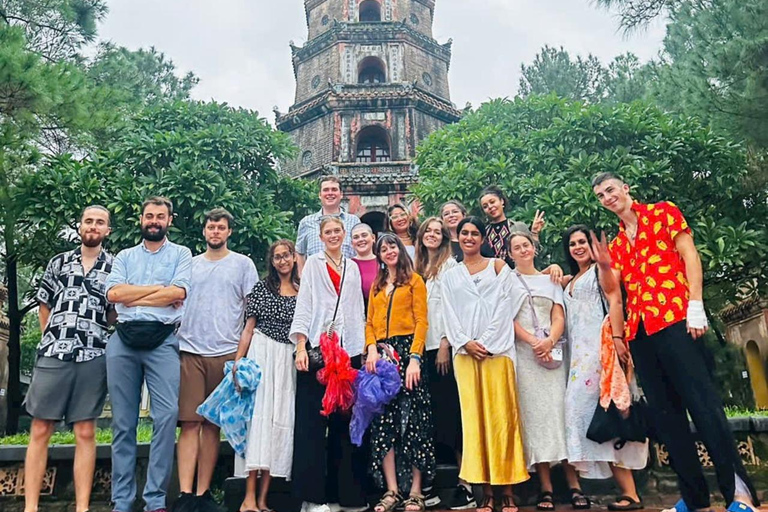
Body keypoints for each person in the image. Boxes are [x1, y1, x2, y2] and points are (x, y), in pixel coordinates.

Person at [592, 172, 760, 512]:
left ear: (625, 188)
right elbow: (614, 292)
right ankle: (694, 497)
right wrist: (606, 271)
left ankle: (739, 494)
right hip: (641, 333)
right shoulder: (618, 244)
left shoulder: (662, 213)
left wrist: (695, 305)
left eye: (610, 189)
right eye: (600, 195)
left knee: (704, 408)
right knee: (668, 419)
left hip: (676, 320)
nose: (607, 197)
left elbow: (690, 256)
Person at [23, 206, 115, 512]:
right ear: (80, 226)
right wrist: (51, 336)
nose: (93, 226)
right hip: (54, 353)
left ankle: (82, 507)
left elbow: (115, 314)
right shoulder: (59, 262)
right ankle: (31, 507)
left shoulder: (116, 267)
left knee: (86, 431)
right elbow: (44, 304)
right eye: (88, 220)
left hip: (94, 354)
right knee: (40, 428)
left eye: (99, 222)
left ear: (107, 230)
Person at [105, 197, 193, 512]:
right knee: (123, 423)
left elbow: (178, 293)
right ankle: (122, 500)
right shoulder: (124, 256)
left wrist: (135, 293)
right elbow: (114, 295)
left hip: (163, 342)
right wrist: (157, 291)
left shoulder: (182, 254)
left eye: (160, 216)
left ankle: (155, 500)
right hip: (123, 342)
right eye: (149, 216)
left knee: (167, 416)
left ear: (170, 220)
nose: (153, 220)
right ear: (141, 220)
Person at [441, 217, 529, 512]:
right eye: (464, 233)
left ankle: (507, 490)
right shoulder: (450, 275)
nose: (469, 238)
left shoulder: (498, 267)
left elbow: (510, 303)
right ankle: (486, 493)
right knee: (475, 423)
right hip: (465, 356)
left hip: (498, 352)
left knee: (502, 419)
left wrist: (487, 341)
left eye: (474, 233)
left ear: (482, 239)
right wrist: (465, 342)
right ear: (458, 237)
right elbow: (448, 313)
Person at [173, 208, 258, 512]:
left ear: (229, 232)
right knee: (189, 423)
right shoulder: (190, 265)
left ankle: (203, 492)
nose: (215, 232)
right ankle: (184, 493)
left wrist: (241, 357)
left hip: (226, 353)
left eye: (221, 227)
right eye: (211, 227)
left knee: (212, 425)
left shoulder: (242, 265)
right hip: (191, 350)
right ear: (204, 231)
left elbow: (251, 312)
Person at [560, 225, 648, 510]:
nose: (578, 247)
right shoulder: (571, 279)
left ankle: (630, 493)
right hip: (578, 358)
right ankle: (599, 487)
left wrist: (619, 339)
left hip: (603, 351)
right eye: (572, 243)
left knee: (612, 417)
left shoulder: (601, 270)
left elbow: (615, 299)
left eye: (582, 241)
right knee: (582, 415)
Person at [290, 216, 368, 512]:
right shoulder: (313, 263)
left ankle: (344, 495)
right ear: (320, 237)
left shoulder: (352, 267)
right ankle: (313, 497)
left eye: (337, 231)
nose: (333, 236)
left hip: (348, 352)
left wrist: (363, 347)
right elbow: (306, 303)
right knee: (312, 423)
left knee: (345, 424)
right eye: (328, 232)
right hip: (318, 350)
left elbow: (356, 309)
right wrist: (300, 345)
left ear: (344, 234)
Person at [508, 231, 583, 511]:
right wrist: (533, 342)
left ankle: (574, 484)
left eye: (526, 245)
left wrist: (550, 340)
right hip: (526, 356)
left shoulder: (550, 278)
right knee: (535, 418)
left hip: (552, 355)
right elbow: (508, 318)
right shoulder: (508, 281)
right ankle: (546, 488)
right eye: (516, 247)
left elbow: (558, 313)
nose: (523, 250)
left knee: (561, 415)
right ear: (511, 253)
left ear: (534, 248)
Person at [365, 233, 435, 512]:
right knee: (384, 421)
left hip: (409, 351)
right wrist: (371, 348)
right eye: (383, 248)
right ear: (379, 255)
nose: (389, 251)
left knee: (417, 418)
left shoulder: (414, 280)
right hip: (383, 354)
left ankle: (416, 491)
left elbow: (421, 321)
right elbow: (369, 321)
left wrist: (416, 358)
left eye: (392, 246)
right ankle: (391, 489)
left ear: (400, 250)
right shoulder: (378, 284)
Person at [234, 240, 300, 512]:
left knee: (279, 423)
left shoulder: (302, 291)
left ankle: (263, 500)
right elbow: (249, 328)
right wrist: (239, 362)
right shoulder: (262, 288)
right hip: (262, 351)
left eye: (286, 256)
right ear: (271, 262)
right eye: (277, 257)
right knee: (258, 422)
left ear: (294, 258)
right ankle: (248, 498)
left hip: (287, 358)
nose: (282, 261)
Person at [414, 218, 473, 510]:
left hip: (442, 347)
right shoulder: (416, 266)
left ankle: (466, 484)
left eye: (438, 232)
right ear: (422, 235)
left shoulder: (451, 266)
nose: (433, 235)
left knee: (452, 412)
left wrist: (447, 343)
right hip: (420, 349)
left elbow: (454, 307)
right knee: (431, 415)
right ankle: (432, 481)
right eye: (429, 231)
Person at [296, 176, 361, 274]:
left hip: (346, 280)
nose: (330, 193)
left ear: (341, 194)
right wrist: (302, 277)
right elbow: (300, 252)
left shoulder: (354, 221)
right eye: (326, 190)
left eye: (334, 189)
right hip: (316, 282)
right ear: (320, 195)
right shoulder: (306, 222)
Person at [478, 186, 544, 260]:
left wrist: (534, 233)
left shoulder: (519, 227)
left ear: (502, 201)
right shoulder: (483, 233)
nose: (490, 207)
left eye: (492, 202)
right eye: (485, 206)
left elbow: (534, 255)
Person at [351, 223, 378, 309]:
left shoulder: (383, 263)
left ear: (373, 238)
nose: (360, 240)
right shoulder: (347, 266)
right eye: (356, 237)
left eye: (364, 235)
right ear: (352, 243)